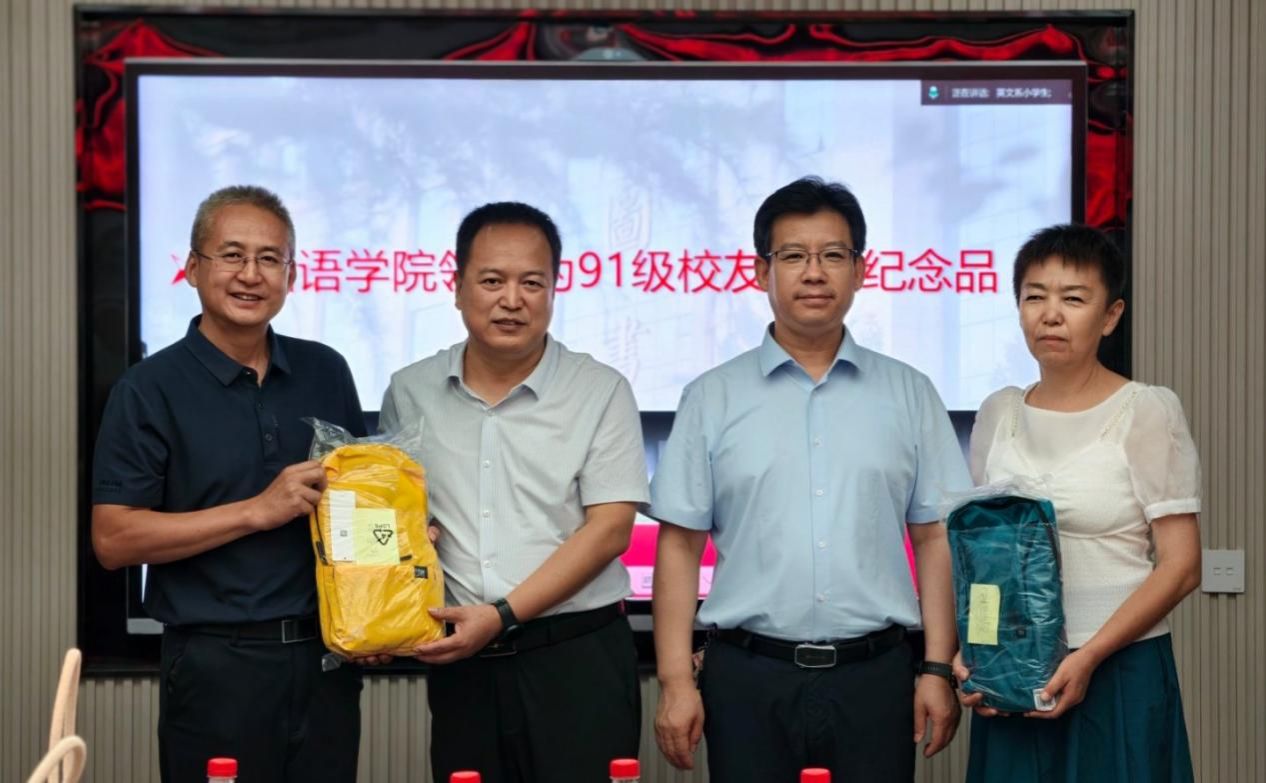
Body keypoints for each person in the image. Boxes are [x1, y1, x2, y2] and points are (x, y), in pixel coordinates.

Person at [648, 176, 968, 781]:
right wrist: (674, 681)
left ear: (860, 270)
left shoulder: (910, 393)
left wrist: (934, 668)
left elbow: (933, 539)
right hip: (746, 678)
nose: (814, 273)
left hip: (875, 676)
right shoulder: (712, 397)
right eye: (793, 255)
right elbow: (680, 546)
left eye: (833, 255)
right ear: (760, 271)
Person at [91, 186, 366, 782]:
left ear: (292, 276)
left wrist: (404, 537)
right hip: (216, 666)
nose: (251, 274)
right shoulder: (148, 389)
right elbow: (114, 539)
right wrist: (254, 511)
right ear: (193, 268)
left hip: (328, 662)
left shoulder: (326, 370)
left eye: (270, 258)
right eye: (232, 255)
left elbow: (356, 501)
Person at [377, 202, 649, 783]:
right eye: (492, 281)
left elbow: (610, 531)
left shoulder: (600, 390)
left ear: (554, 289)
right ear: (457, 288)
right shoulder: (410, 390)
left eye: (532, 282)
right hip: (463, 664)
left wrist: (501, 616)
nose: (512, 299)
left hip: (575, 657)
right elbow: (400, 522)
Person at [954, 224, 1201, 782]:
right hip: (1015, 667)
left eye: (1073, 298)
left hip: (1119, 668)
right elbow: (983, 555)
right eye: (1034, 297)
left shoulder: (1146, 410)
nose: (1050, 315)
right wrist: (975, 648)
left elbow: (1183, 566)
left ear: (1110, 316)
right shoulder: (998, 412)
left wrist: (1088, 657)